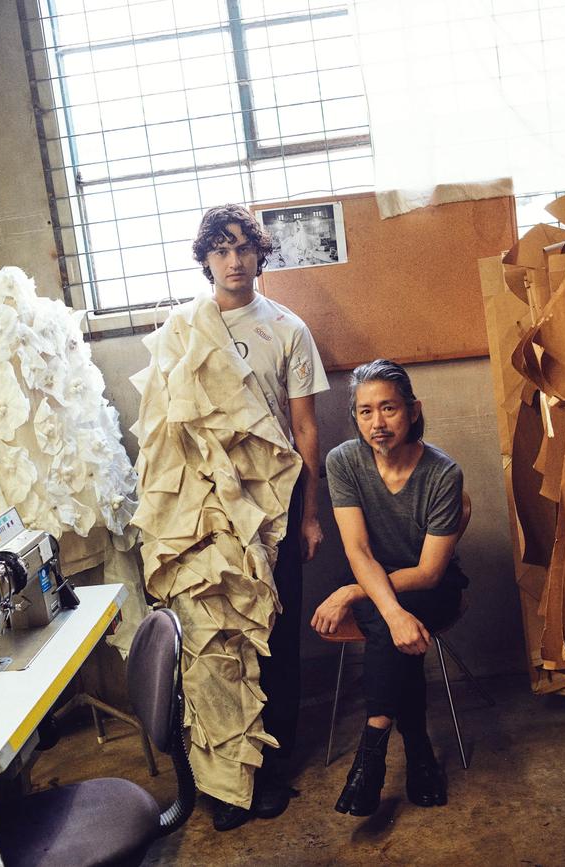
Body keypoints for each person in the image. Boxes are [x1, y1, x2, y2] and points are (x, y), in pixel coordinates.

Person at [191, 204, 329, 830]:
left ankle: (273, 767)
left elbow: (305, 429)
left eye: (244, 247)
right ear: (206, 259)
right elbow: (175, 434)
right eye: (221, 249)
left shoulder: (287, 328)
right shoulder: (184, 329)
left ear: (260, 255)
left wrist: (308, 516)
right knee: (218, 643)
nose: (234, 260)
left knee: (274, 638)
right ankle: (224, 775)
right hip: (212, 513)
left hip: (273, 508)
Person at [311, 358, 468, 817]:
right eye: (365, 412)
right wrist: (389, 608)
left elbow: (430, 572)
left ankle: (371, 753)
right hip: (373, 577)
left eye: (389, 409)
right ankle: (418, 750)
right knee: (390, 623)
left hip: (428, 586)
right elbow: (358, 551)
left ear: (413, 410)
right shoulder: (343, 462)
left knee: (391, 617)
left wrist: (353, 594)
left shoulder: (444, 473)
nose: (377, 423)